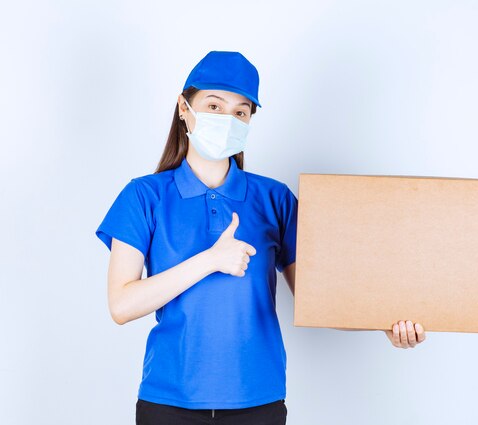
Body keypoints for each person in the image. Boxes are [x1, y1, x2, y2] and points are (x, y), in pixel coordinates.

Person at [95, 50, 426, 425]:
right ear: (184, 107)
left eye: (240, 112)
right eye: (214, 105)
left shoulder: (275, 199)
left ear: (250, 120)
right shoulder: (144, 197)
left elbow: (320, 299)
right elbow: (121, 305)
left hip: (258, 402)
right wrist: (210, 261)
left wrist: (385, 321)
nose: (227, 119)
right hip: (169, 401)